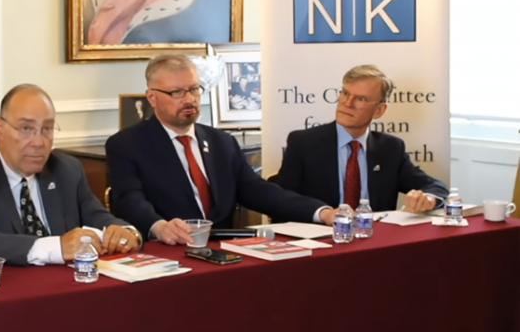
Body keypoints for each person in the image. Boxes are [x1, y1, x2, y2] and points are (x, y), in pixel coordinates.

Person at [106, 55, 335, 246]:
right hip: (169, 250)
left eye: (194, 89)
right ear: (152, 98)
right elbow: (129, 200)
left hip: (223, 250)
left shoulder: (221, 142)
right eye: (177, 93)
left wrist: (320, 212)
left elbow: (258, 191)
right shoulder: (127, 145)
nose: (189, 99)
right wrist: (160, 227)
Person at [0, 84, 141, 265]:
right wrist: (55, 247)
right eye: (26, 128)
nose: (39, 142)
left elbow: (97, 216)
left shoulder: (67, 169)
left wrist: (126, 232)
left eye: (47, 129)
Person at [271, 64, 448, 213]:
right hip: (320, 236)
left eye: (361, 99)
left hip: (375, 238)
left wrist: (428, 199)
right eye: (345, 93)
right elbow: (283, 200)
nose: (347, 103)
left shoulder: (391, 148)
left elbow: (435, 187)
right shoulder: (303, 143)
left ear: (379, 110)